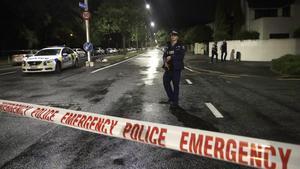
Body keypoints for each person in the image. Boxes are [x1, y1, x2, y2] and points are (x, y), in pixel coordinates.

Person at [162, 30, 185, 109]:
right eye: (172, 35)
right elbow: (164, 55)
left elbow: (181, 56)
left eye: (175, 35)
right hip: (168, 68)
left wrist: (171, 57)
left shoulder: (180, 45)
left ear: (177, 37)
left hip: (176, 68)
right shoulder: (167, 45)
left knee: (176, 85)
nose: (173, 36)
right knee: (165, 82)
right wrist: (165, 61)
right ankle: (171, 98)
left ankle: (175, 102)